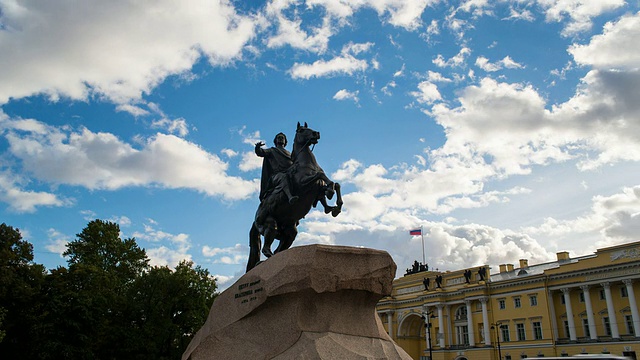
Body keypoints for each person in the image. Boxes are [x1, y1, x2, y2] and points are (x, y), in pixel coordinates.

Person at [255, 132, 298, 205]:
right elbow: (261, 152)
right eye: (279, 137)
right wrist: (257, 147)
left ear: (285, 141)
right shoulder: (272, 150)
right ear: (276, 141)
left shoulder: (289, 153)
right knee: (283, 177)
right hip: (277, 176)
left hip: (289, 173)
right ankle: (290, 197)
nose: (281, 138)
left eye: (282, 138)